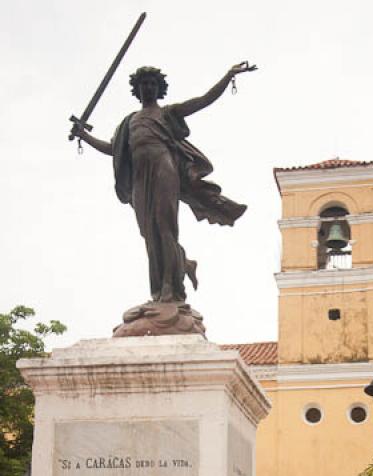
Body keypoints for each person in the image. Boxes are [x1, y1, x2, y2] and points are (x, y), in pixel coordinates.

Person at [72, 63, 254, 303]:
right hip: (140, 176)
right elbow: (112, 149)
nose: (147, 87)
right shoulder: (129, 122)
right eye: (143, 84)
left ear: (159, 89)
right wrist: (84, 136)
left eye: (152, 84)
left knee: (165, 227)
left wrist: (228, 76)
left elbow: (203, 100)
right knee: (149, 233)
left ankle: (170, 286)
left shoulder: (167, 113)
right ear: (136, 90)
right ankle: (171, 275)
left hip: (163, 168)